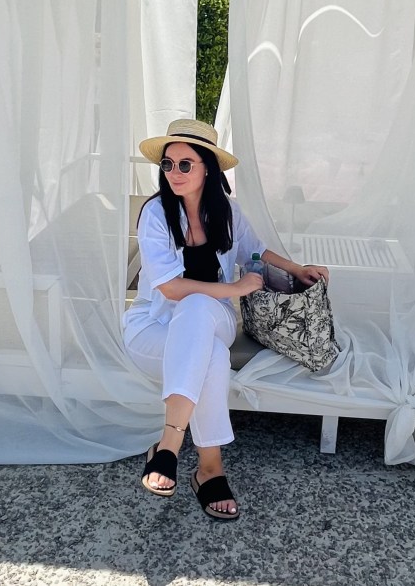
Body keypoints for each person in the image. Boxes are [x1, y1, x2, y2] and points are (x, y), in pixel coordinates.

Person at [122, 119, 329, 521]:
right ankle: (210, 469)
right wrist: (234, 288)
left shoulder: (227, 212)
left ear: (208, 169)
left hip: (211, 317)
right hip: (153, 327)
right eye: (168, 164)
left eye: (186, 164)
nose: (174, 172)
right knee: (212, 357)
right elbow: (170, 289)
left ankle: (168, 446)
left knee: (198, 308)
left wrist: (297, 268)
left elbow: (256, 250)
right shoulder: (156, 213)